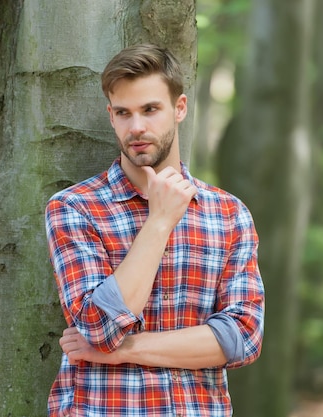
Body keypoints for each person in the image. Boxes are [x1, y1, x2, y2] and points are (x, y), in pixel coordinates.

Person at [44, 43, 264, 417]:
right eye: (123, 113)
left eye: (150, 109)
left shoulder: (229, 214)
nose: (137, 127)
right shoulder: (74, 208)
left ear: (179, 108)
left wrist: (126, 350)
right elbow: (99, 328)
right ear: (110, 117)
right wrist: (159, 221)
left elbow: (242, 337)